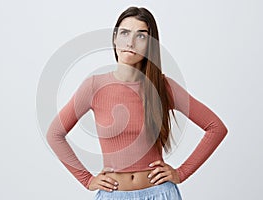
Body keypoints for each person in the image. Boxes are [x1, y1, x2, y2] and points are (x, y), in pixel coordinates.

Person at [46, 6, 228, 200]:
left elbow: (216, 127)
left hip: (160, 193)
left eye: (141, 36)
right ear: (115, 37)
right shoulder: (94, 86)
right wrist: (87, 179)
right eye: (125, 33)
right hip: (114, 195)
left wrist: (182, 172)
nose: (130, 42)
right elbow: (55, 134)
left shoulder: (162, 86)